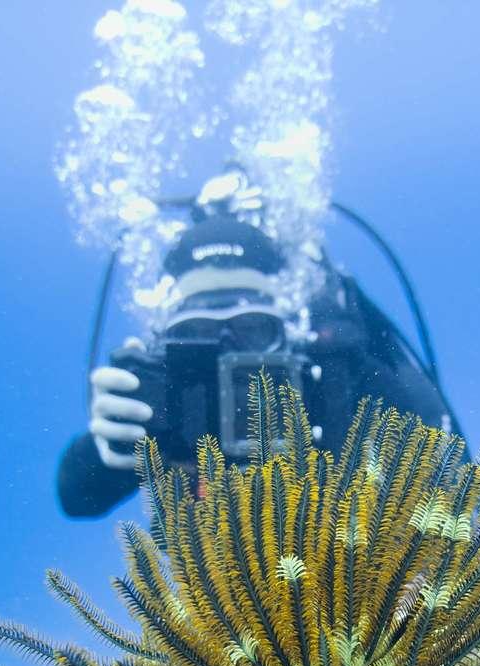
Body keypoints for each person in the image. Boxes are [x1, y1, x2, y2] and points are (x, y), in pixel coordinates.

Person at [56, 174, 459, 519]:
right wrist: (103, 449)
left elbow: (449, 462)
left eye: (252, 329)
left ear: (286, 331)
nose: (227, 351)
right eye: (197, 334)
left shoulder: (327, 376)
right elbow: (76, 498)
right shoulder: (167, 404)